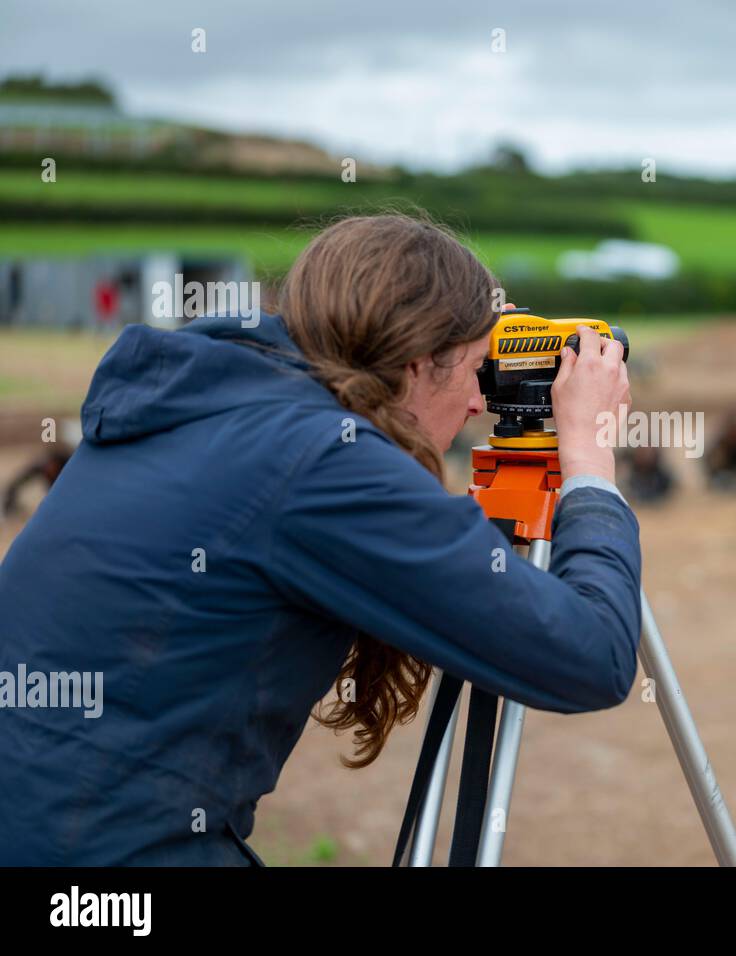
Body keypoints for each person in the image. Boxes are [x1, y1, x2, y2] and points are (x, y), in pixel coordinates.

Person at [0, 213, 642, 865]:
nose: (482, 403)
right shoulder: (321, 462)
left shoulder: (196, 400)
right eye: (478, 370)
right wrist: (588, 464)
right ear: (419, 360)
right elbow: (593, 656)